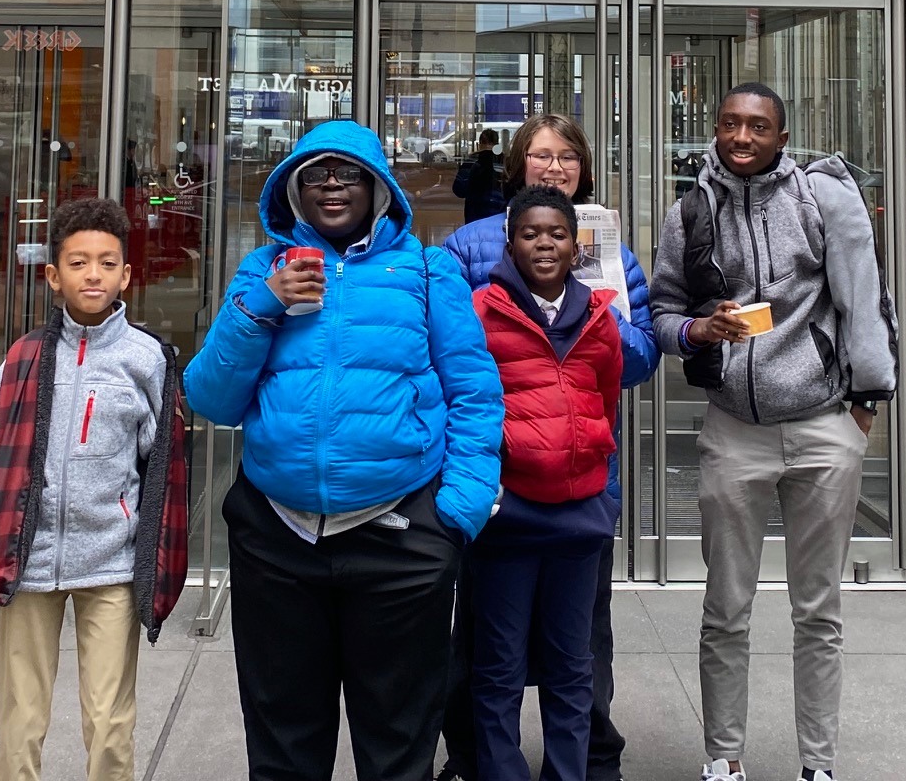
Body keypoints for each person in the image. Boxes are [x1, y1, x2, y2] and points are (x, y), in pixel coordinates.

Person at [185, 120, 505, 781]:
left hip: (401, 539)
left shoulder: (427, 270)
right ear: (293, 189)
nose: (333, 185)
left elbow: (475, 393)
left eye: (349, 173)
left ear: (378, 187)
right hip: (277, 540)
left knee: (398, 749)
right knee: (283, 748)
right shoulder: (262, 272)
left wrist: (457, 514)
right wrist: (263, 306)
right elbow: (212, 399)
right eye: (317, 174)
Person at [648, 84, 897, 781]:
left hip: (823, 426)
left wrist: (864, 404)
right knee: (725, 607)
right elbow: (661, 310)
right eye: (730, 123)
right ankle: (723, 759)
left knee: (819, 610)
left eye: (758, 126)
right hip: (734, 431)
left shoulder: (818, 200)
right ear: (715, 129)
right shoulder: (690, 211)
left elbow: (865, 298)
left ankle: (818, 764)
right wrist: (698, 330)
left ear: (782, 138)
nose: (742, 136)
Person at [439, 112, 656, 781]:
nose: (555, 166)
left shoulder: (611, 254)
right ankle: (475, 759)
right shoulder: (470, 247)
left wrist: (598, 312)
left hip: (582, 489)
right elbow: (451, 354)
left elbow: (630, 365)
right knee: (487, 642)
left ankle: (589, 760)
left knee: (580, 645)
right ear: (517, 166)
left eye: (567, 155)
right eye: (540, 154)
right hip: (500, 490)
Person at [0, 197, 188, 781]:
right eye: (79, 262)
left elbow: (162, 469)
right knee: (20, 717)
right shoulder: (25, 356)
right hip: (28, 559)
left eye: (108, 264)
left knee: (110, 720)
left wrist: (144, 548)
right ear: (53, 274)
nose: (94, 275)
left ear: (126, 275)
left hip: (111, 564)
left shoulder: (147, 359)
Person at [468, 186, 623, 781]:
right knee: (499, 664)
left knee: (571, 664)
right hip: (507, 516)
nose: (544, 244)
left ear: (575, 245)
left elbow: (605, 396)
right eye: (530, 233)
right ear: (510, 242)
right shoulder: (482, 310)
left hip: (578, 518)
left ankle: (568, 772)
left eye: (557, 233)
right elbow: (467, 399)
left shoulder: (600, 316)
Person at [453, 127, 506, 224]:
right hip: (499, 214)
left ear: (480, 144)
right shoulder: (505, 161)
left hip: (475, 215)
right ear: (497, 144)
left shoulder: (472, 161)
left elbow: (459, 190)